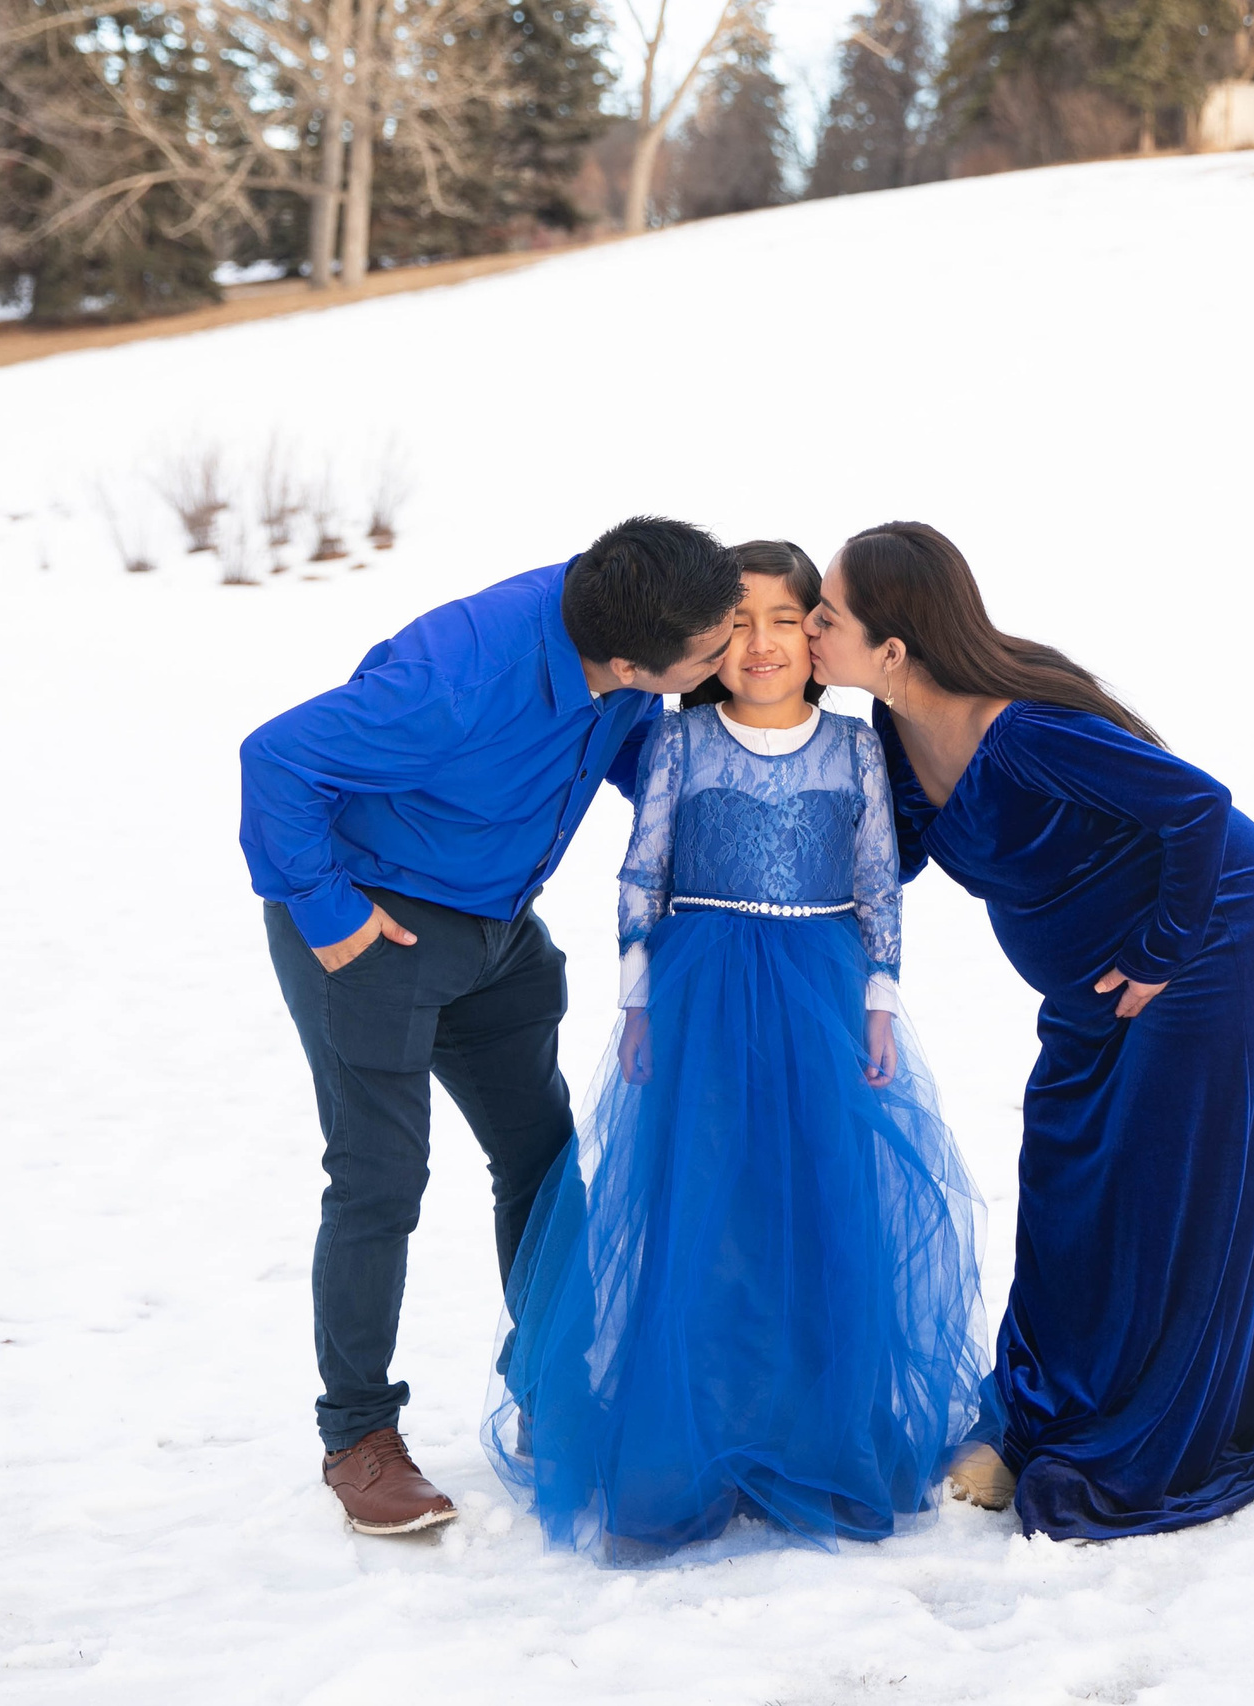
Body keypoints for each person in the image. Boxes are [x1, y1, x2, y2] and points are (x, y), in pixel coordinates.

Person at [803, 521, 1254, 1542]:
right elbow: (900, 855)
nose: (809, 625)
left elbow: (1196, 807)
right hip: (1098, 976)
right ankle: (1047, 1404)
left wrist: (1158, 948)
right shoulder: (893, 731)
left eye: (826, 614)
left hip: (1206, 931)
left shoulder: (1026, 730)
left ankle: (1139, 1427)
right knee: (1063, 1162)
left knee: (1152, 1174)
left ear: (891, 647)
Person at [239, 517, 743, 1535]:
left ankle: (557, 1383)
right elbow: (276, 758)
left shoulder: (620, 634)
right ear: (630, 659)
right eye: (709, 649)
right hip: (373, 921)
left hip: (497, 930)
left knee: (545, 1157)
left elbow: (634, 741)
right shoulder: (456, 679)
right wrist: (329, 913)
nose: (727, 654)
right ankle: (359, 1437)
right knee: (379, 1175)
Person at [483, 541, 987, 1559]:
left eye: (784, 619)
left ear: (817, 633)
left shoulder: (852, 744)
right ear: (711, 643)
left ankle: (812, 1431)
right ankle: (691, 1437)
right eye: (738, 622)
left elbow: (878, 874)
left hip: (821, 987)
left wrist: (880, 995)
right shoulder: (682, 744)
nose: (762, 643)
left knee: (815, 1196)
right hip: (699, 987)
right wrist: (636, 998)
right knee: (700, 1202)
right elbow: (642, 871)